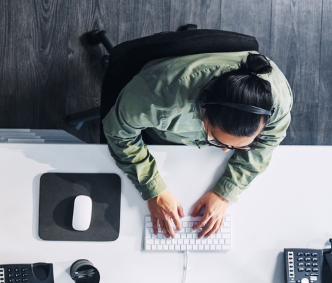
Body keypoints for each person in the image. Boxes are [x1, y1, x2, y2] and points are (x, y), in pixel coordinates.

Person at [103, 52, 292, 238]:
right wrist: (154, 190)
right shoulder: (154, 99)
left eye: (240, 145)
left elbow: (268, 141)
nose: (225, 150)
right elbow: (119, 133)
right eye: (217, 141)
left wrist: (225, 191)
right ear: (204, 110)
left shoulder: (278, 102)